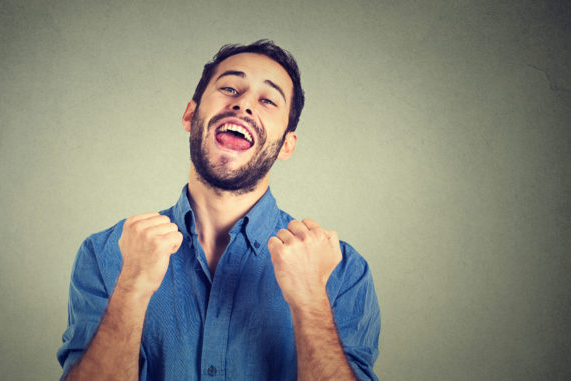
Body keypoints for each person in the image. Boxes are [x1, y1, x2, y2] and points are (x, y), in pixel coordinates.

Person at [57, 39, 380, 381]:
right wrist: (131, 288)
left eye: (268, 100)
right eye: (229, 87)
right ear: (190, 115)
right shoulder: (106, 254)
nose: (243, 105)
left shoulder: (341, 271)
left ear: (286, 145)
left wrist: (312, 302)